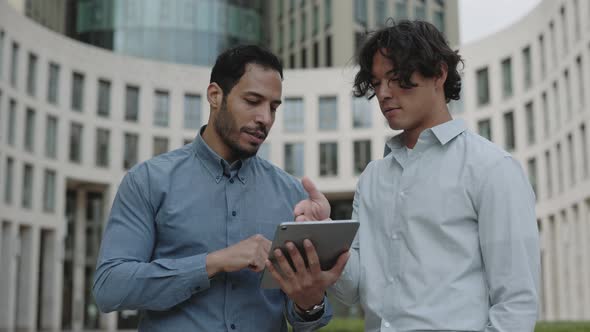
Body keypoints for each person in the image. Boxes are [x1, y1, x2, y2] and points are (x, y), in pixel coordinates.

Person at [92, 45, 348, 332]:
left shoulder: (293, 195)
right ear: (215, 96)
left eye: (273, 107)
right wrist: (214, 262)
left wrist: (309, 301)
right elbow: (109, 288)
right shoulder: (148, 180)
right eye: (253, 101)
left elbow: (307, 316)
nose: (265, 118)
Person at [329, 20, 540, 332]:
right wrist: (325, 235)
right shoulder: (372, 178)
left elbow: (516, 305)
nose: (384, 94)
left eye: (396, 78)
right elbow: (349, 291)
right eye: (376, 83)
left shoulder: (492, 168)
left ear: (439, 74)